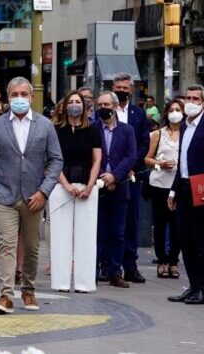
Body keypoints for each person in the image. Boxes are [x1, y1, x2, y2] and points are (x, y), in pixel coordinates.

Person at [0, 77, 64, 314]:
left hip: (34, 197)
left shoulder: (45, 125)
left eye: (24, 94)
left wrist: (44, 191)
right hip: (5, 195)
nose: (19, 98)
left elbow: (56, 160)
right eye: (14, 94)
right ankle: (6, 295)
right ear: (7, 97)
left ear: (32, 97)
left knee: (33, 247)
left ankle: (28, 289)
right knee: (6, 245)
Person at [168, 84, 204, 305]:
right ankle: (193, 286)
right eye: (187, 98)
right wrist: (174, 191)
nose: (190, 102)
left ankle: (203, 290)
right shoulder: (185, 127)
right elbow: (182, 163)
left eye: (195, 99)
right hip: (184, 188)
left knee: (203, 242)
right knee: (184, 239)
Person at [47, 91, 102, 293]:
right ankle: (60, 282)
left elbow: (97, 159)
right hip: (61, 187)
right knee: (60, 235)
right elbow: (53, 160)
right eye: (71, 101)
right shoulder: (55, 131)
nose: (74, 105)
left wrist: (90, 185)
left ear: (84, 106)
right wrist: (65, 184)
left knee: (86, 236)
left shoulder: (93, 130)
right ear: (64, 106)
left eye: (78, 102)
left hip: (87, 187)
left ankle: (84, 283)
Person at [91, 92, 138, 289]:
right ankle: (94, 271)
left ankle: (115, 271)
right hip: (98, 186)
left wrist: (115, 177)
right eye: (100, 104)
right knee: (98, 231)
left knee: (118, 232)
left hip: (120, 187)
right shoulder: (93, 128)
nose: (103, 107)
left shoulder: (127, 130)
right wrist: (103, 176)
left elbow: (131, 156)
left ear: (115, 106)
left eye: (106, 104)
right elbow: (90, 155)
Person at [111, 73, 150, 283]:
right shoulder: (106, 110)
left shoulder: (139, 114)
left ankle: (130, 265)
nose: (122, 90)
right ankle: (109, 266)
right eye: (118, 87)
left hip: (131, 176)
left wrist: (131, 167)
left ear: (131, 90)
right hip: (109, 175)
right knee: (110, 222)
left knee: (131, 221)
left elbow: (144, 143)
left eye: (125, 88)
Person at [145, 99, 183, 280]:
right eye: (172, 109)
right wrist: (160, 163)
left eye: (178, 109)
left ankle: (174, 261)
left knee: (177, 225)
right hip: (160, 184)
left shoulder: (187, 134)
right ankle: (162, 261)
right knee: (160, 224)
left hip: (180, 185)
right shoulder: (157, 134)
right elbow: (148, 159)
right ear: (166, 113)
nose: (175, 112)